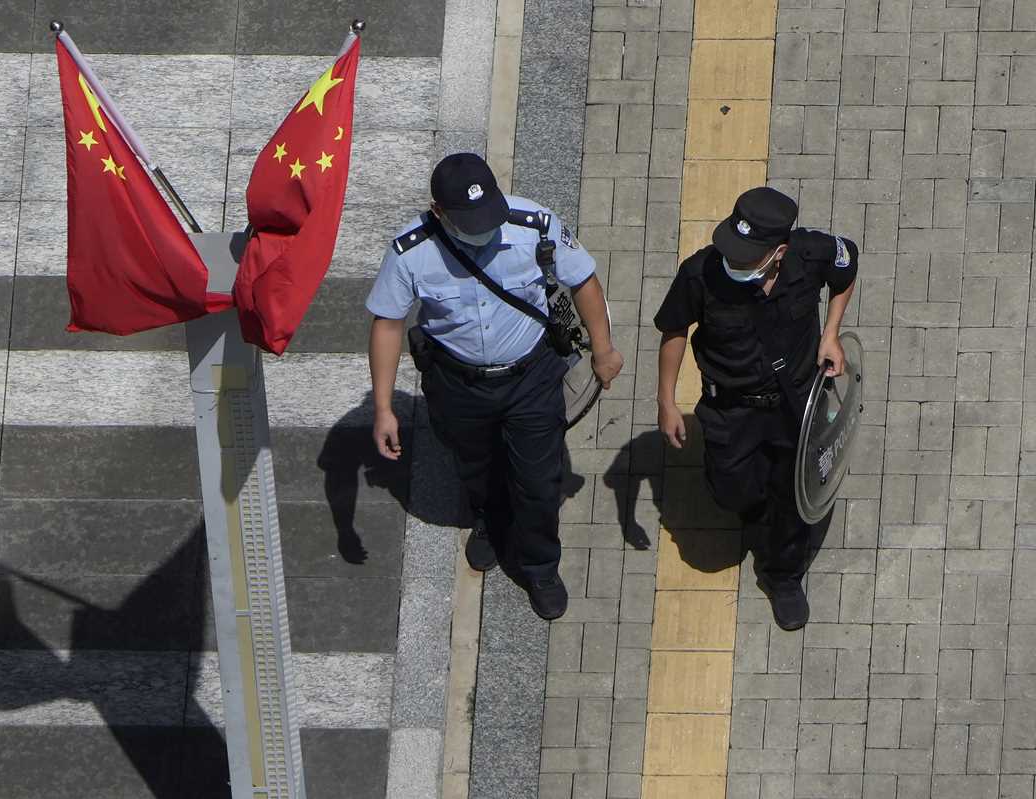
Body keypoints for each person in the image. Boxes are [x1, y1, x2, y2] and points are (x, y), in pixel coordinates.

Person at [366, 153, 623, 620]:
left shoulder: (533, 224)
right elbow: (387, 323)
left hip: (531, 378)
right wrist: (384, 408)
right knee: (475, 464)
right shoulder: (411, 251)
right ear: (439, 211)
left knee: (539, 481)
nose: (485, 229)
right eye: (471, 222)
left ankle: (540, 566)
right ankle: (489, 519)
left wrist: (603, 349)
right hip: (458, 382)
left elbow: (583, 279)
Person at [653, 186, 858, 630]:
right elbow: (674, 331)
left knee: (792, 495)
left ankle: (783, 576)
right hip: (731, 408)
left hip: (796, 405)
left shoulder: (810, 254)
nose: (734, 260)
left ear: (779, 252)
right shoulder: (701, 273)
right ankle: (756, 507)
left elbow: (847, 267)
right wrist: (666, 401)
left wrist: (831, 334)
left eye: (747, 256)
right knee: (731, 491)